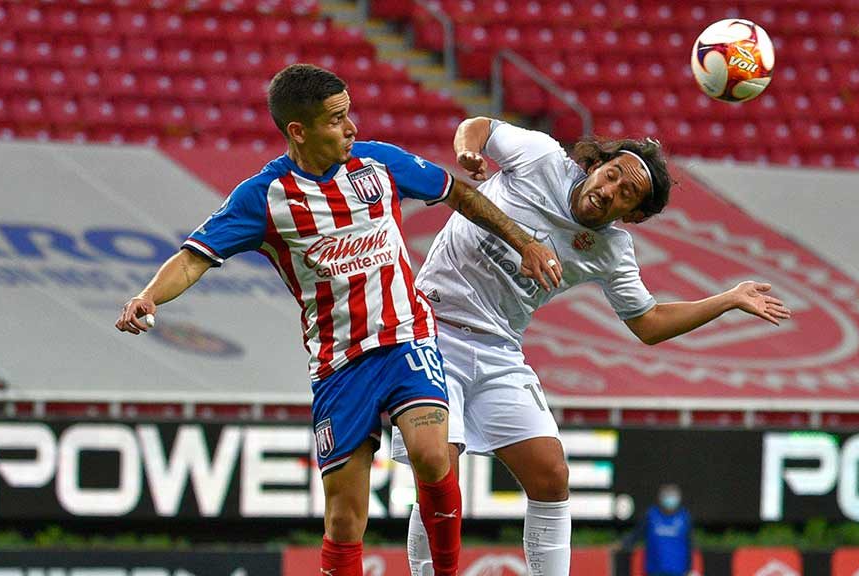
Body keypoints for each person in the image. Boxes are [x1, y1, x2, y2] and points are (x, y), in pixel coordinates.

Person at [115, 66, 561, 576]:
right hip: (338, 364)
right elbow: (195, 256)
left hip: (405, 338)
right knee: (346, 521)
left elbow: (457, 193)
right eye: (336, 119)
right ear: (298, 131)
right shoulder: (263, 197)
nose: (351, 127)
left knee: (433, 455)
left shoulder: (379, 163)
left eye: (349, 114)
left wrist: (522, 240)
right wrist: (150, 296)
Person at [393, 117, 791, 576]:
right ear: (596, 165)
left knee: (551, 475)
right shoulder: (540, 157)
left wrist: (726, 299)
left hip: (499, 348)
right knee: (442, 473)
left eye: (627, 194)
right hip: (432, 330)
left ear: (634, 215)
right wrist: (468, 151)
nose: (610, 189)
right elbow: (478, 126)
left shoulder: (610, 250)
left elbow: (648, 323)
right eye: (612, 174)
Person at [622, 484, 694, 576]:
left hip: (678, 571)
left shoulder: (684, 517)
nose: (670, 499)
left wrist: (689, 569)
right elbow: (636, 534)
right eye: (667, 495)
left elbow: (689, 544)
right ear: (661, 497)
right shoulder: (651, 515)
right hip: (654, 571)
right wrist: (623, 544)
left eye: (673, 495)